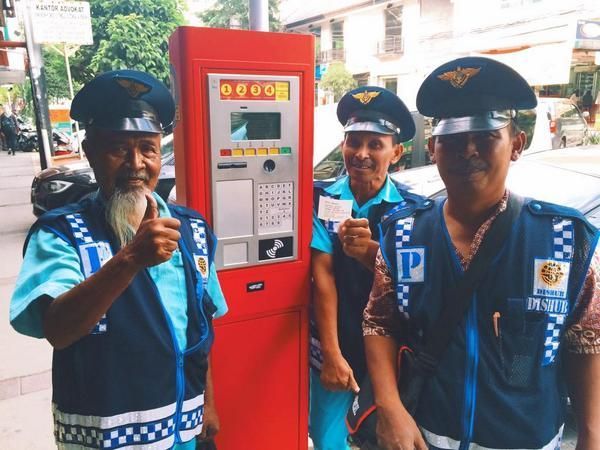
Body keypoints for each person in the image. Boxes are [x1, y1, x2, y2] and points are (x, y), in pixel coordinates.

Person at [363, 56, 600, 450]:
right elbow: (379, 325)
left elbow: (587, 341)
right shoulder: (403, 233)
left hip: (528, 438)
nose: (467, 150)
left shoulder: (564, 238)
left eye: (486, 136)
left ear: (516, 145)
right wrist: (390, 408)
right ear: (434, 149)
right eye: (452, 139)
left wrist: (591, 436)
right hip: (425, 436)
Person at [9, 70, 228, 450]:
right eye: (118, 148)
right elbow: (58, 330)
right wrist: (128, 260)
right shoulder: (61, 233)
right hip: (107, 436)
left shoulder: (190, 228)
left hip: (185, 429)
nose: (136, 163)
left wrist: (208, 401)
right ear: (91, 153)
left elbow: (200, 321)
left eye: (148, 147)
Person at [310, 86, 421, 449]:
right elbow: (322, 276)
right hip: (336, 350)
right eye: (353, 142)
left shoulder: (415, 212)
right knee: (330, 439)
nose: (361, 154)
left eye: (375, 144)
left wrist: (372, 254)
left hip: (393, 358)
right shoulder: (320, 198)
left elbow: (418, 284)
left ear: (397, 151)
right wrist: (331, 354)